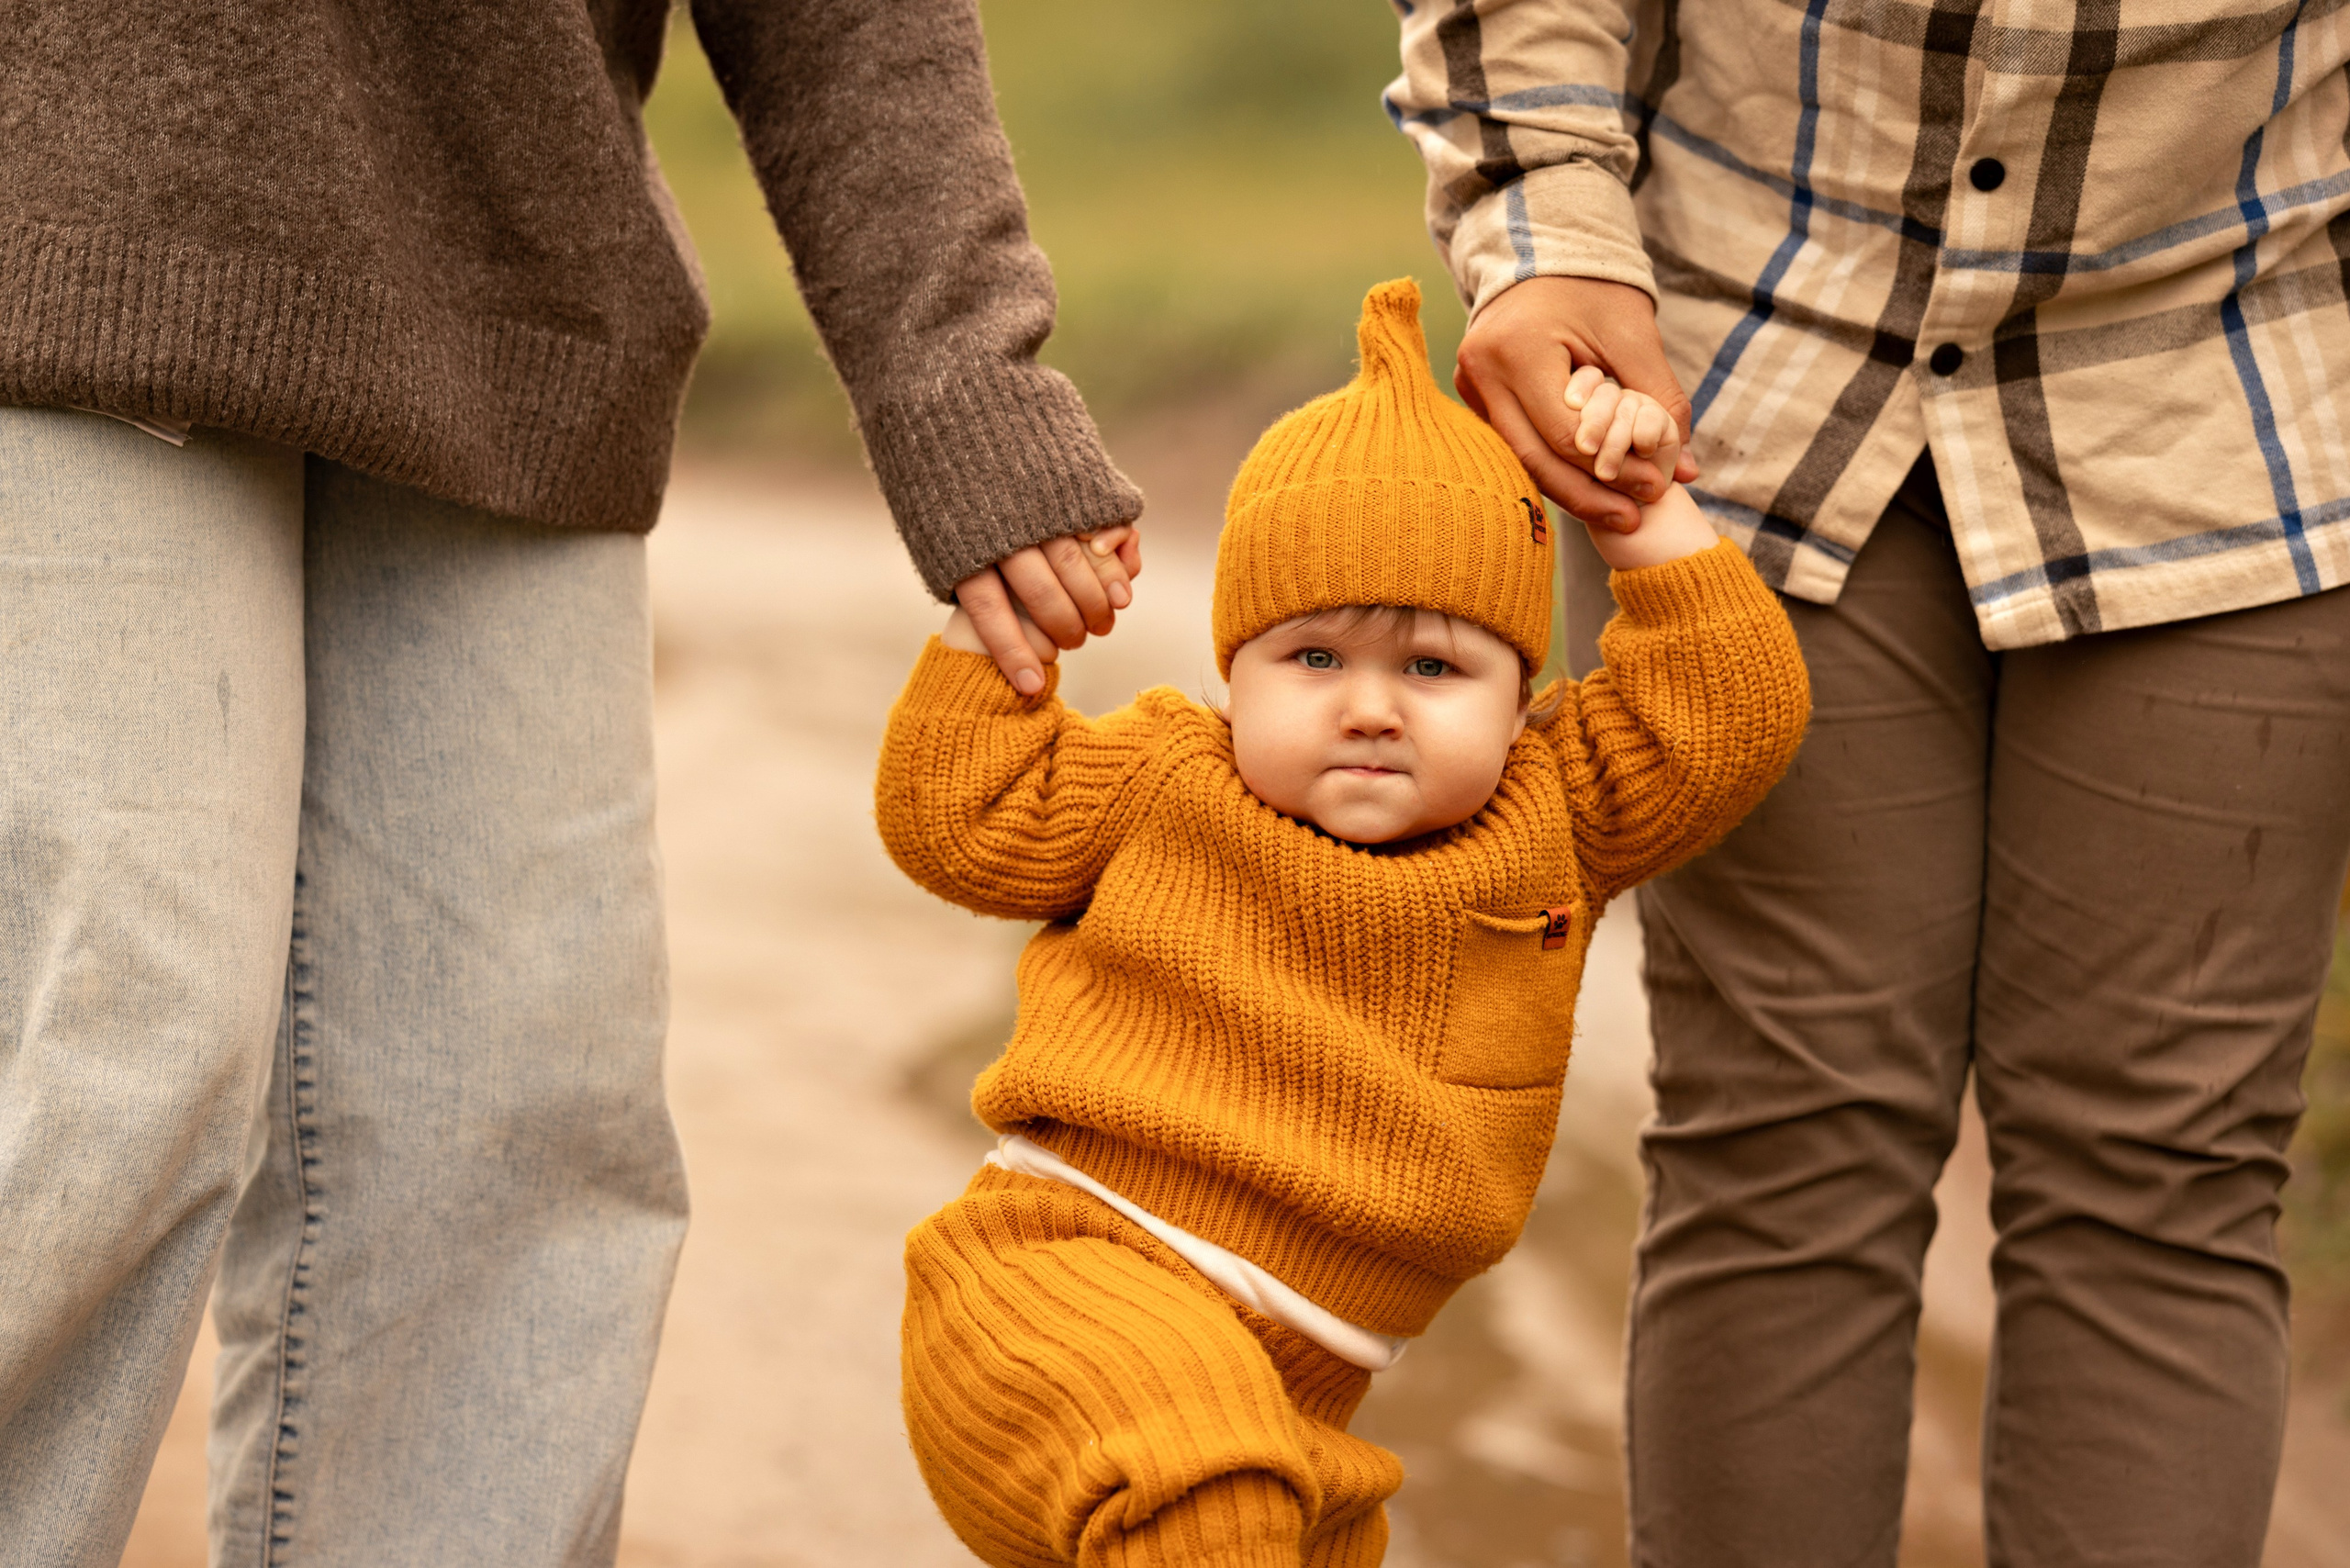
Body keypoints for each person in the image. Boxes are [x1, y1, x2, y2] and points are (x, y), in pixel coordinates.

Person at [0, 3, 1142, 1562]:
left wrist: (963, 373)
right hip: (53, 217)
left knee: (517, 1126)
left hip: (520, 291)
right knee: (115, 1039)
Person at [1385, 4, 2350, 1564]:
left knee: (2160, 1170)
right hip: (1743, 380)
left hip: (2237, 379)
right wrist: (1548, 217)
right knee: (1785, 1140)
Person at [873, 279, 1809, 1567]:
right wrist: (1006, 631)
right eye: (1314, 660)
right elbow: (954, 817)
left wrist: (1639, 509)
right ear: (1233, 673)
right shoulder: (1166, 776)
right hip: (1067, 1287)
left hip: (1308, 1387)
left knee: (1287, 1524)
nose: (1372, 708)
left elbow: (1732, 707)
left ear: (1521, 694)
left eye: (1434, 667)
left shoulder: (1559, 818)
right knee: (1210, 1507)